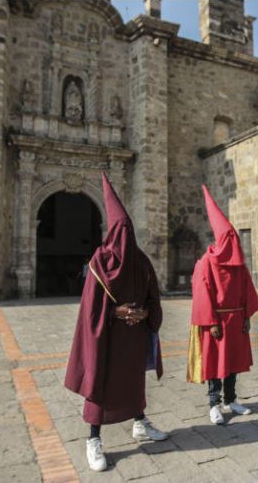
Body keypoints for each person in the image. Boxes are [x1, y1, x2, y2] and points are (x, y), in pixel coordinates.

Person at [64, 173, 168, 472]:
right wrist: (116, 312)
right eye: (119, 230)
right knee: (101, 382)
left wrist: (145, 314)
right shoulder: (100, 262)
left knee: (134, 380)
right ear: (111, 232)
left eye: (128, 230)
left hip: (133, 336)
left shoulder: (142, 262)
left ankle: (140, 423)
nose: (124, 236)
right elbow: (90, 308)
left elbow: (153, 297)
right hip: (107, 336)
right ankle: (94, 438)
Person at [187, 185, 258, 425]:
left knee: (234, 362)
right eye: (229, 237)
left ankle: (231, 399)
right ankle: (214, 404)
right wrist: (210, 323)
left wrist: (247, 316)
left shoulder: (238, 264)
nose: (234, 241)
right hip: (217, 321)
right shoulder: (206, 262)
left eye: (234, 237)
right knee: (215, 364)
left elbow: (246, 290)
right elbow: (201, 293)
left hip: (236, 319)